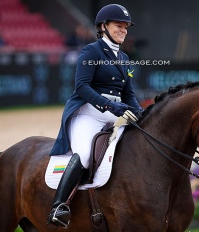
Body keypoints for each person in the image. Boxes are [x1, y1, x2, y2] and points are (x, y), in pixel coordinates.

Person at [48, 4, 144, 228]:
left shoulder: (123, 57)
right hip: (88, 114)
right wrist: (110, 105)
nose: (123, 30)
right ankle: (58, 206)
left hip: (114, 114)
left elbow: (128, 94)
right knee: (83, 155)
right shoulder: (91, 51)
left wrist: (141, 113)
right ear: (103, 26)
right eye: (118, 26)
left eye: (126, 27)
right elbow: (81, 86)